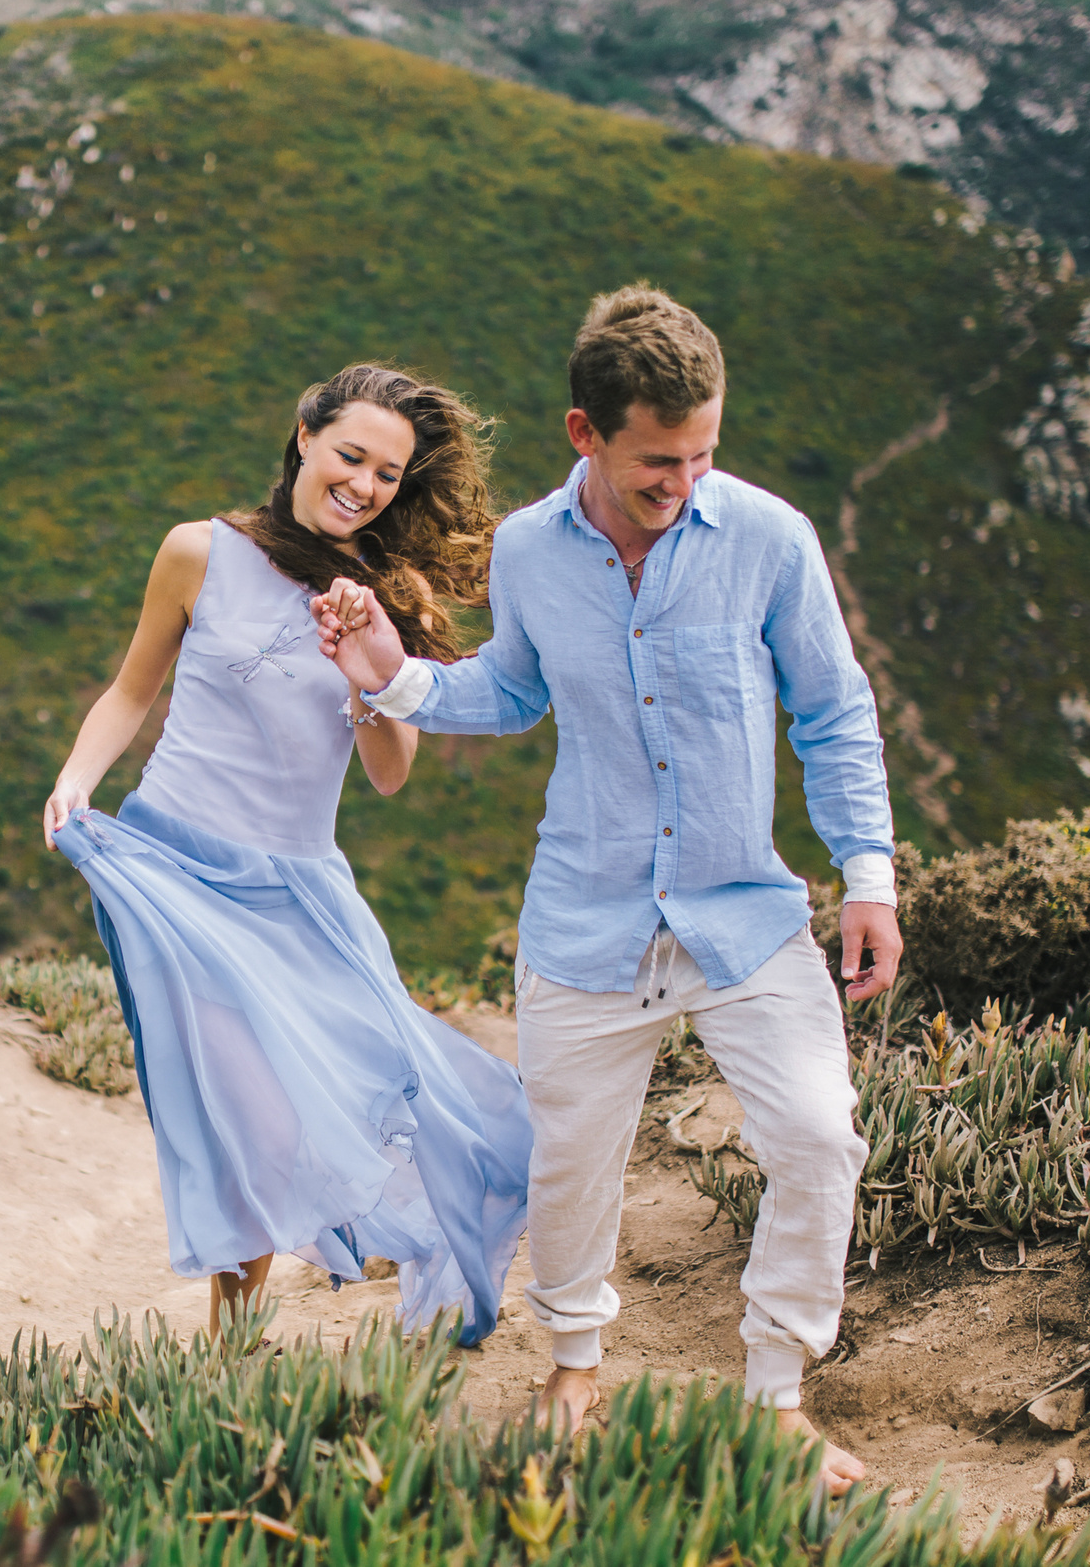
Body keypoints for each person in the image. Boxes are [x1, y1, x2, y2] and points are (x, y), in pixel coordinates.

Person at [313, 286, 900, 1493]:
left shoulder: (771, 540)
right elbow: (513, 693)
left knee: (818, 1137)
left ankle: (774, 1397)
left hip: (744, 911)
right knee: (572, 1158)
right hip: (585, 911)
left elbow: (834, 714)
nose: (680, 479)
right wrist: (398, 678)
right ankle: (570, 1371)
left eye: (701, 454)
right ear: (586, 433)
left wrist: (868, 879)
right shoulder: (530, 549)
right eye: (654, 460)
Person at [42, 363, 536, 1342]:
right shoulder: (197, 553)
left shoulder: (380, 599)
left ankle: (262, 1313)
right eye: (351, 455)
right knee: (239, 1123)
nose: (364, 484)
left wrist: (365, 670)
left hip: (296, 896)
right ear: (304, 436)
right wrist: (75, 780)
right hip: (174, 869)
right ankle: (233, 1342)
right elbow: (132, 690)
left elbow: (391, 773)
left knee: (339, 1109)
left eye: (388, 474)